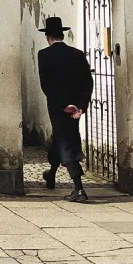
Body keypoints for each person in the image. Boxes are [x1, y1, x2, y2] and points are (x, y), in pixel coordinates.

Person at [37, 15, 94, 202]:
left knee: (67, 142)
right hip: (75, 108)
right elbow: (87, 82)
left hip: (58, 107)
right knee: (60, 138)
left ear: (48, 37)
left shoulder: (44, 55)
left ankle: (78, 189)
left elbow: (47, 85)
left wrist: (63, 105)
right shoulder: (77, 54)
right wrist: (80, 106)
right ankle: (51, 173)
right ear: (63, 34)